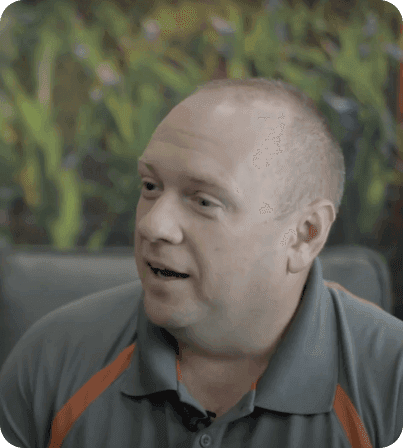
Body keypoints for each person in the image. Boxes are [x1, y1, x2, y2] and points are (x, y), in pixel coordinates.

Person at [0, 77, 402, 448]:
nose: (153, 225)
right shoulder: (52, 359)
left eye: (204, 201)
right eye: (150, 186)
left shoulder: (390, 382)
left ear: (304, 234)